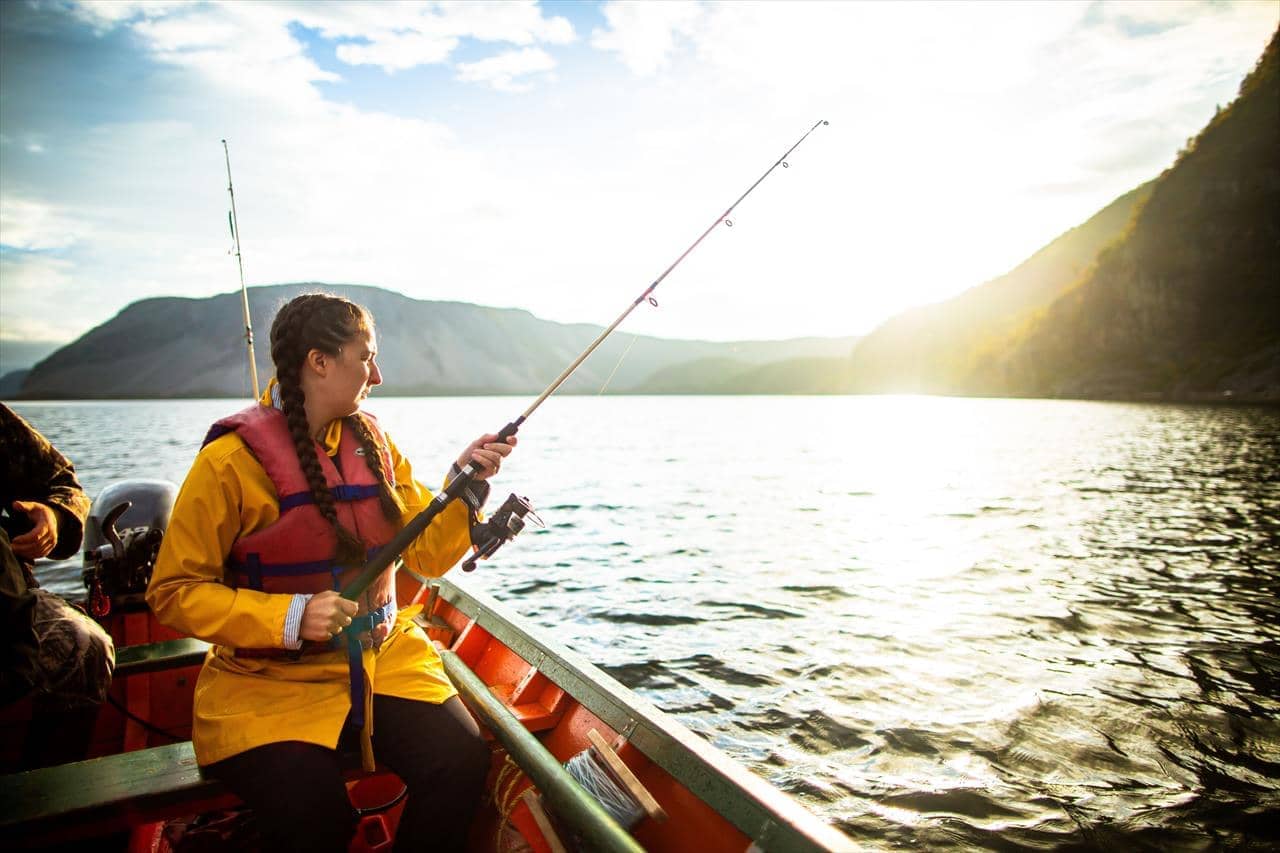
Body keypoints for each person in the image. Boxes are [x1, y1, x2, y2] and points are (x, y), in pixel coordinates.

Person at [146, 293, 515, 853]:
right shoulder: (228, 463)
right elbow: (173, 592)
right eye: (366, 358)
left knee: (460, 762)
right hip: (267, 683)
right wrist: (289, 615)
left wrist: (463, 490)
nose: (379, 375)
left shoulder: (376, 444)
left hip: (383, 658)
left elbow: (426, 557)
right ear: (319, 362)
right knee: (318, 818)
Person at [1, 403, 115, 768]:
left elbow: (63, 482)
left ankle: (45, 799)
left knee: (85, 646)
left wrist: (53, 516)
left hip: (7, 602)